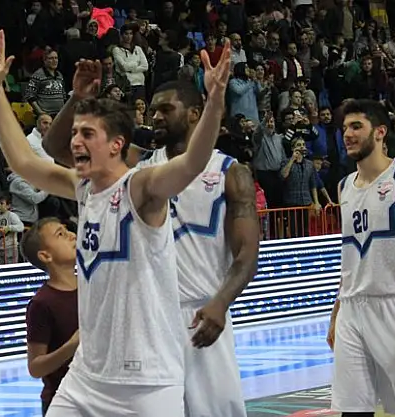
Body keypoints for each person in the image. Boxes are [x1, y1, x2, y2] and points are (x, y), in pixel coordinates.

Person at [0, 28, 231, 415]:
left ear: (116, 144)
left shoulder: (141, 187)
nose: (75, 142)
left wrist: (214, 102)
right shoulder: (83, 188)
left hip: (146, 380)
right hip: (87, 376)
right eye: (75, 133)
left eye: (87, 134)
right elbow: (23, 161)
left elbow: (192, 163)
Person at [44, 77, 260, 417]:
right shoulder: (137, 165)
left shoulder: (230, 172)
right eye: (153, 109)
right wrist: (77, 99)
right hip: (147, 319)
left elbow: (247, 253)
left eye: (166, 109)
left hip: (201, 313)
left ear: (194, 113)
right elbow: (56, 149)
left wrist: (221, 302)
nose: (156, 116)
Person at [327, 99, 395, 417]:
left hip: (394, 303)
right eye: (345, 128)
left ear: (380, 132)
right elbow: (350, 259)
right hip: (352, 308)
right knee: (353, 409)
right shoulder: (343, 187)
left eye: (357, 126)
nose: (348, 134)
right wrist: (336, 312)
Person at [23, 217, 79, 415]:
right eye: (61, 234)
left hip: (99, 396)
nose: (72, 235)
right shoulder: (42, 304)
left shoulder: (92, 286)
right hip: (63, 401)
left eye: (68, 230)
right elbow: (35, 367)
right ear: (45, 255)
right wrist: (72, 345)